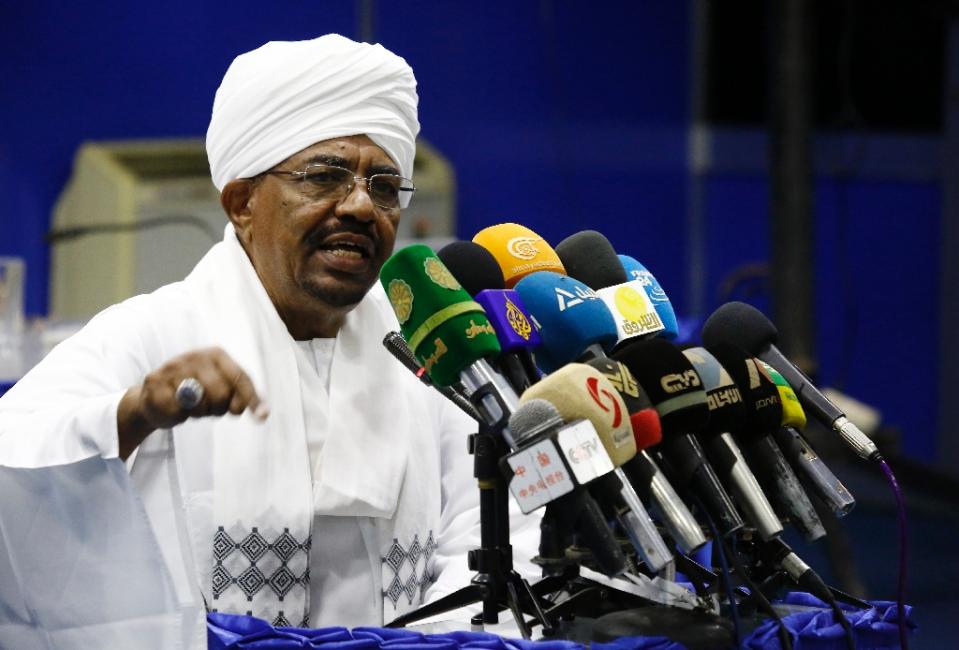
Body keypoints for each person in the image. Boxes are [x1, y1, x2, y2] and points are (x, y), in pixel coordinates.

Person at [0, 34, 538, 647]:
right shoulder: (153, 334)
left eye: (385, 186)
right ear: (241, 203)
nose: (362, 206)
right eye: (326, 176)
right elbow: (13, 465)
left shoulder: (429, 354)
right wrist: (133, 413)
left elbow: (498, 533)